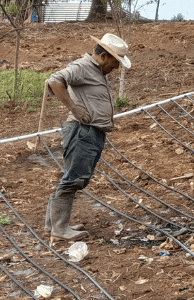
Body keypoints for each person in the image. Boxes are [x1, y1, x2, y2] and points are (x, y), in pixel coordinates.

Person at [44, 33, 131, 242]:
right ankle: (59, 228)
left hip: (91, 132)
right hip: (82, 131)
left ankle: (53, 224)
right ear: (103, 56)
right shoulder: (83, 66)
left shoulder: (97, 71)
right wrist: (74, 108)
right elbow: (54, 81)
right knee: (73, 179)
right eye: (115, 62)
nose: (116, 67)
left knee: (74, 177)